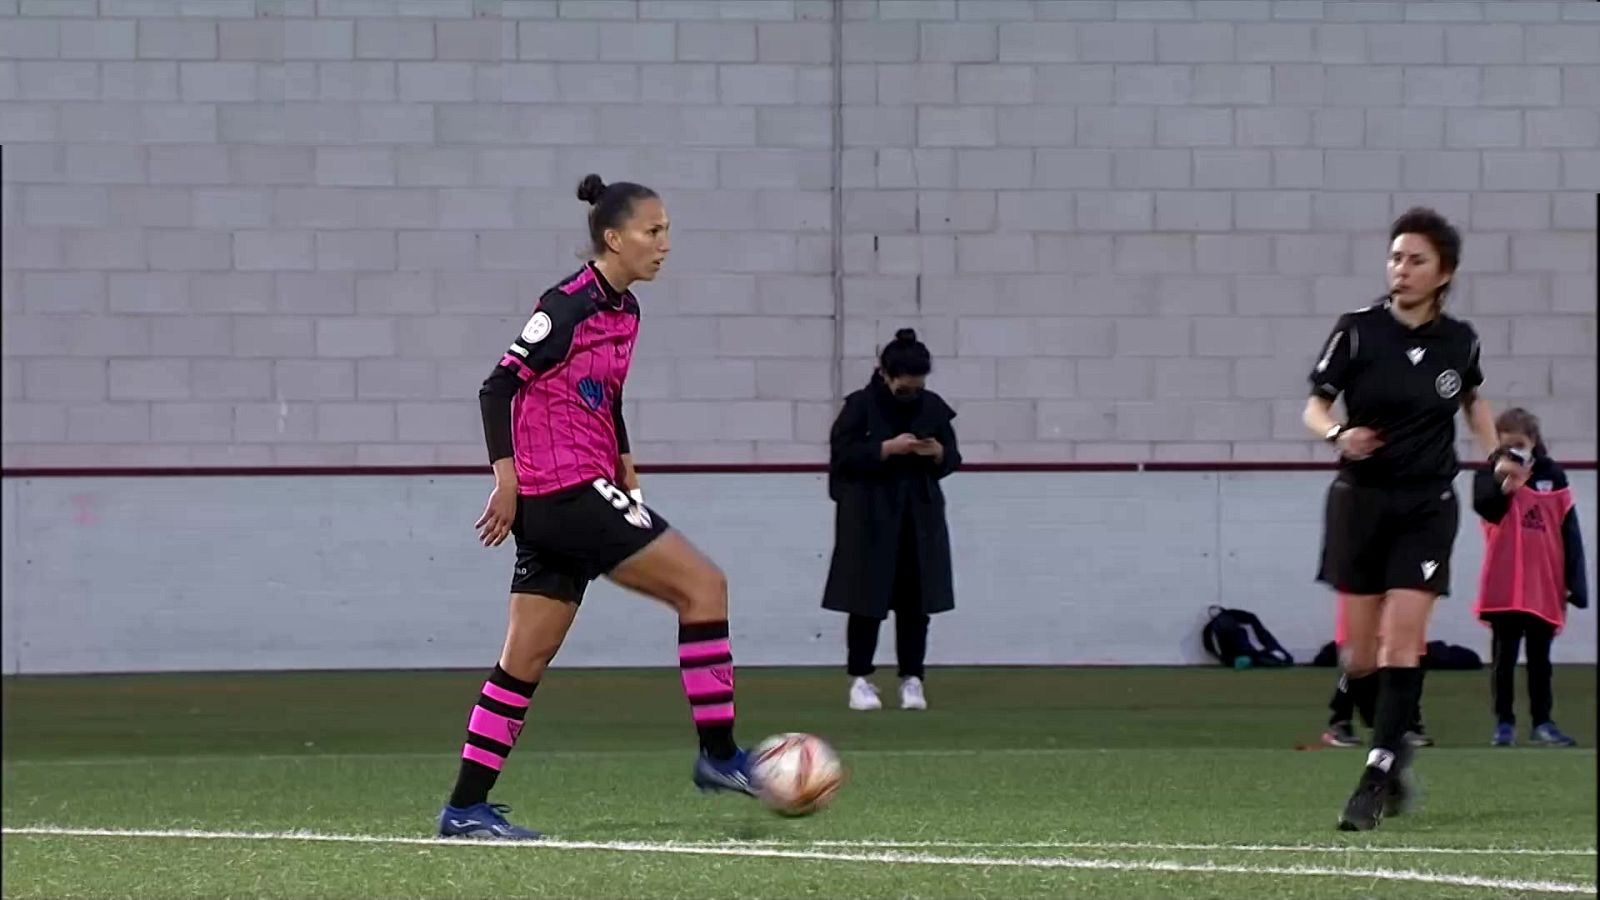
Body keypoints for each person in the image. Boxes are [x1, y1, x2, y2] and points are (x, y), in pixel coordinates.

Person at [435, 174, 755, 841]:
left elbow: (603, 399)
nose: (665, 244)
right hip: (564, 492)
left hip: (580, 491)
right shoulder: (568, 306)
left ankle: (464, 808)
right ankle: (721, 757)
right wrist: (507, 480)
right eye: (653, 231)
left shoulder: (626, 312)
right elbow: (497, 389)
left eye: (666, 230)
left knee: (523, 659)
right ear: (614, 238)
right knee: (704, 587)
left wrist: (628, 468)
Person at [1302, 207, 1506, 832]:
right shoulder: (1357, 330)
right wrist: (1338, 433)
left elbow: (1472, 399)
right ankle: (1395, 750)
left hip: (1426, 505)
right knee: (1358, 655)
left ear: (1445, 273)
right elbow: (1314, 404)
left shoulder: (1459, 340)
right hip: (1360, 502)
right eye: (1396, 257)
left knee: (1403, 642)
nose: (1402, 269)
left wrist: (1495, 454)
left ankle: (1375, 774)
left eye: (1416, 259)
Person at [821, 329, 961, 712]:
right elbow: (843, 457)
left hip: (919, 516)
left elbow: (953, 459)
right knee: (866, 600)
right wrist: (886, 449)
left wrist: (936, 453)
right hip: (869, 517)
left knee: (917, 603)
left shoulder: (932, 407)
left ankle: (912, 679)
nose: (911, 392)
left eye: (917, 386)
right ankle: (860, 680)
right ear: (885, 373)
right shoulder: (860, 406)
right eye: (904, 386)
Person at [1471, 407, 1588, 748]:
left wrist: (1574, 584)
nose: (1514, 450)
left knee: (1541, 660)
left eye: (1519, 444)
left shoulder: (1554, 475)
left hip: (1544, 584)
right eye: (1506, 445)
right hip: (1505, 583)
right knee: (1503, 659)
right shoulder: (1488, 475)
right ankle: (1504, 723)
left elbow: (1570, 532)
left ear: (1533, 441)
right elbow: (1486, 508)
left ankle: (1543, 722)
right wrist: (1505, 484)